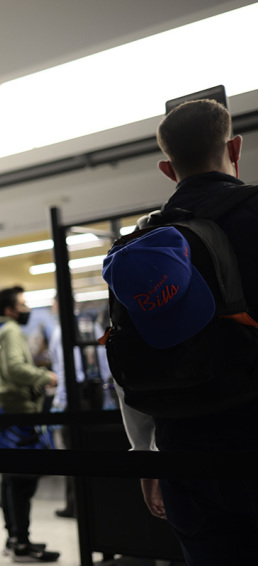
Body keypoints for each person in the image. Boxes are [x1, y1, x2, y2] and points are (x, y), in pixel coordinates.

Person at [107, 98, 258, 565]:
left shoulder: (139, 247)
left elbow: (127, 358)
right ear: (234, 146)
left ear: (167, 168)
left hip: (182, 453)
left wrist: (144, 453)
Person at [0, 287, 60, 562]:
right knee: (23, 480)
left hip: (5, 410)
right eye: (23, 304)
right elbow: (14, 368)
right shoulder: (11, 330)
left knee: (11, 477)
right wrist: (44, 377)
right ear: (10, 309)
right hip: (19, 410)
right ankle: (21, 544)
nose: (26, 309)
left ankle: (15, 539)